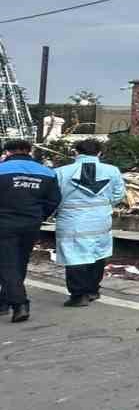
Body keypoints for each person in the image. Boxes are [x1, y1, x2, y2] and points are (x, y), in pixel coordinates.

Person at [51, 138, 126, 307]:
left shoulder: (61, 172)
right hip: (101, 219)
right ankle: (93, 290)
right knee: (98, 253)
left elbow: (53, 197)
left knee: (74, 256)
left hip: (71, 220)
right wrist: (103, 204)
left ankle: (78, 295)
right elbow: (118, 194)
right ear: (99, 153)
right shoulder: (112, 171)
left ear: (76, 152)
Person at [0, 138, 61, 322]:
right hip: (31, 223)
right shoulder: (47, 172)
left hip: (4, 223)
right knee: (20, 261)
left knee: (6, 263)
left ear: (7, 152)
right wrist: (40, 216)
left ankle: (20, 304)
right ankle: (4, 301)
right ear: (29, 151)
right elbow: (54, 200)